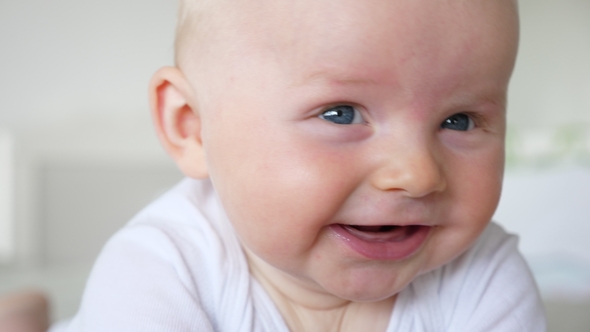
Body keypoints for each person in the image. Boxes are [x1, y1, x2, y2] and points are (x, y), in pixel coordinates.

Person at [2, 0, 547, 330]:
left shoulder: (485, 274)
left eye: (459, 121)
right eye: (341, 113)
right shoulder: (159, 267)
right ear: (191, 125)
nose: (417, 173)